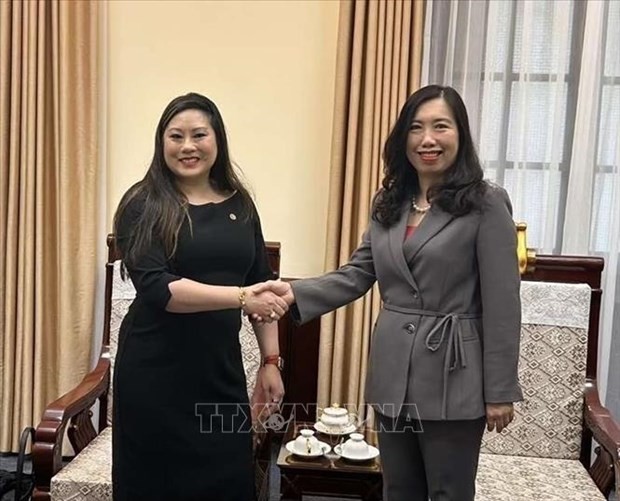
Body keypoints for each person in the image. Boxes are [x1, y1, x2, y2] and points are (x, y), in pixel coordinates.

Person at [255, 85, 523, 501]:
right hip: (393, 371)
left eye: (440, 126)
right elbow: (358, 273)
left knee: (448, 492)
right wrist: (291, 292)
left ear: (461, 135)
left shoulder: (485, 204)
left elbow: (504, 303)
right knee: (397, 489)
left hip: (456, 372)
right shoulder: (390, 202)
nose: (427, 139)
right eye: (416, 128)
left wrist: (500, 390)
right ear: (403, 138)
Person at [111, 92, 286, 501]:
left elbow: (261, 282)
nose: (187, 146)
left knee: (227, 481)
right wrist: (241, 297)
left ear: (217, 140)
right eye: (176, 136)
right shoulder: (143, 204)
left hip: (218, 373)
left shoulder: (240, 205)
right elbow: (160, 289)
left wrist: (271, 361)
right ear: (162, 143)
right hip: (155, 375)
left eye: (198, 135)